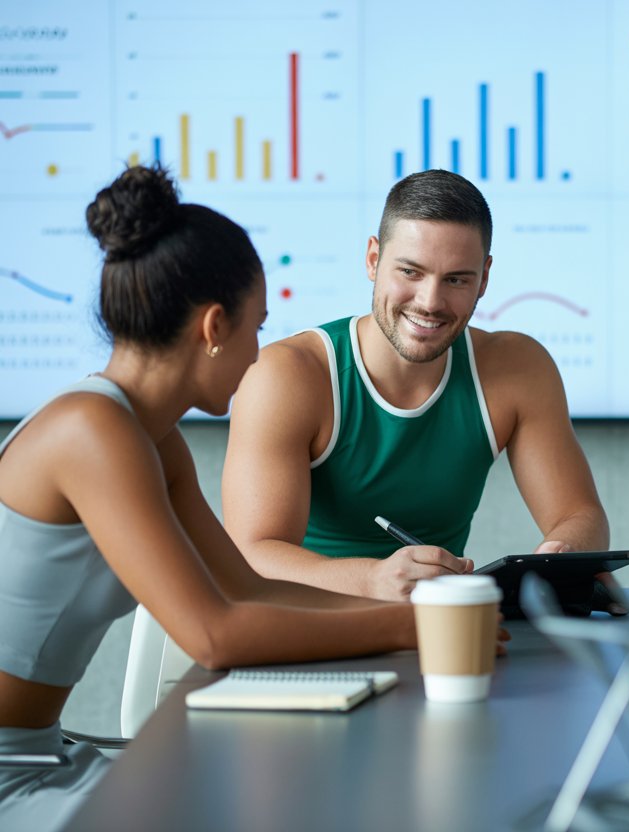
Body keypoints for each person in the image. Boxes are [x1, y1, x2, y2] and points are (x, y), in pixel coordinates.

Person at [0, 167, 493, 823]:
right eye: (256, 328)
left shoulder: (151, 437)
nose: (261, 353)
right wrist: (420, 627)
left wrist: (413, 614)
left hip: (48, 756)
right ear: (212, 328)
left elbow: (244, 587)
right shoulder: (93, 433)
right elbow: (215, 636)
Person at [222, 170, 609, 602]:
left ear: (484, 278)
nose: (429, 302)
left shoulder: (519, 368)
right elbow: (250, 556)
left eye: (456, 279)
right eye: (410, 271)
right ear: (373, 259)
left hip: (438, 631)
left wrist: (566, 552)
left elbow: (579, 513)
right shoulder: (287, 374)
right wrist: (372, 580)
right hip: (309, 632)